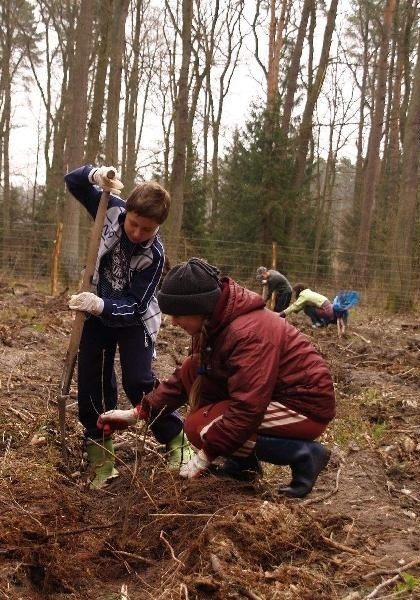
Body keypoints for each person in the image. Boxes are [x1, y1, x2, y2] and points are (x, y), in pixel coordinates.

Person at [97, 258, 335, 498]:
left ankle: (304, 454)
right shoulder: (214, 322)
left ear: (199, 306)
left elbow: (248, 406)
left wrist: (205, 456)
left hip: (303, 405)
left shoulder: (247, 333)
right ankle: (242, 467)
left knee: (200, 428)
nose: (173, 322)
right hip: (271, 396)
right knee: (193, 367)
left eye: (179, 314)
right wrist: (137, 413)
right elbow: (184, 379)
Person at [64, 164, 192, 489]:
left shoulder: (156, 256)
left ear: (157, 227)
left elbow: (136, 304)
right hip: (99, 307)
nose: (136, 233)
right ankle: (100, 448)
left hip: (134, 318)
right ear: (128, 212)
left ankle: (176, 438)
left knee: (138, 381)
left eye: (146, 229)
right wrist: (96, 176)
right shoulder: (110, 210)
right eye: (134, 224)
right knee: (93, 376)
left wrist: (101, 305)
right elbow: (73, 182)